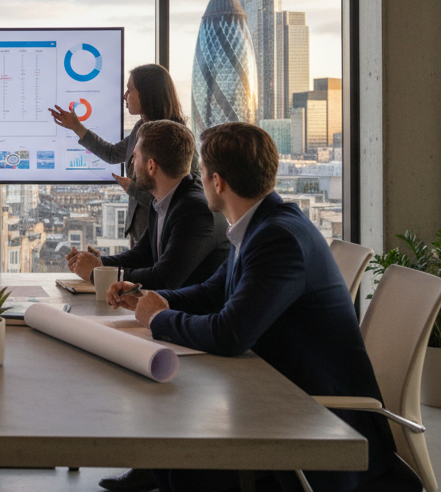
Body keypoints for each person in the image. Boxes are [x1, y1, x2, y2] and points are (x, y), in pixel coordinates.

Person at [108, 123, 415, 492]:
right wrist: (154, 298)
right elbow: (213, 290)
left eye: (201, 173)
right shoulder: (262, 224)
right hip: (283, 393)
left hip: (316, 417)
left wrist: (158, 318)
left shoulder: (277, 238)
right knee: (177, 455)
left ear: (218, 182)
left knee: (188, 460)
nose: (198, 179)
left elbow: (230, 334)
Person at [64, 120, 228, 291]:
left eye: (134, 156)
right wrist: (99, 262)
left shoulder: (195, 210)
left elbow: (162, 279)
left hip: (196, 314)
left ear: (151, 166)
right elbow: (142, 255)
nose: (131, 163)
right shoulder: (164, 198)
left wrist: (97, 272)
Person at [48, 63, 192, 248]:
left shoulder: (172, 137)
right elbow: (112, 153)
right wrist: (77, 127)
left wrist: (132, 189)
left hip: (161, 232)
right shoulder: (141, 127)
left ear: (148, 94)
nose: (125, 95)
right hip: (139, 229)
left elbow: (175, 198)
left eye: (130, 89)